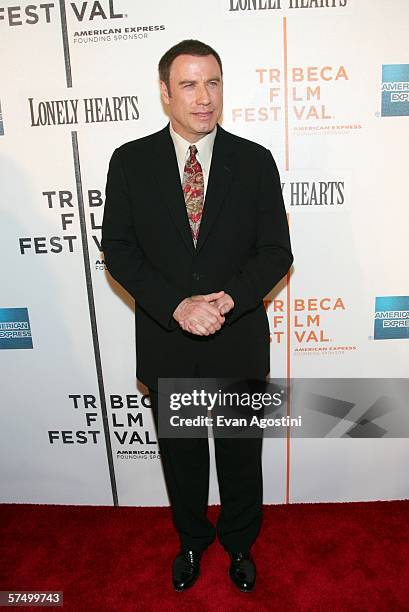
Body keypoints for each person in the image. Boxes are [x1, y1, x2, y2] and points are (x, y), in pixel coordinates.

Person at [102, 39, 293, 593]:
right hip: (169, 339)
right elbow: (121, 250)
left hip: (236, 338)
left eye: (212, 83)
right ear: (165, 92)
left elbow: (275, 252)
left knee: (240, 460)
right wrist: (178, 307)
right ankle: (190, 540)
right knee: (182, 461)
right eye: (188, 84)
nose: (203, 97)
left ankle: (239, 544)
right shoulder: (130, 162)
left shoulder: (254, 160)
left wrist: (227, 301)